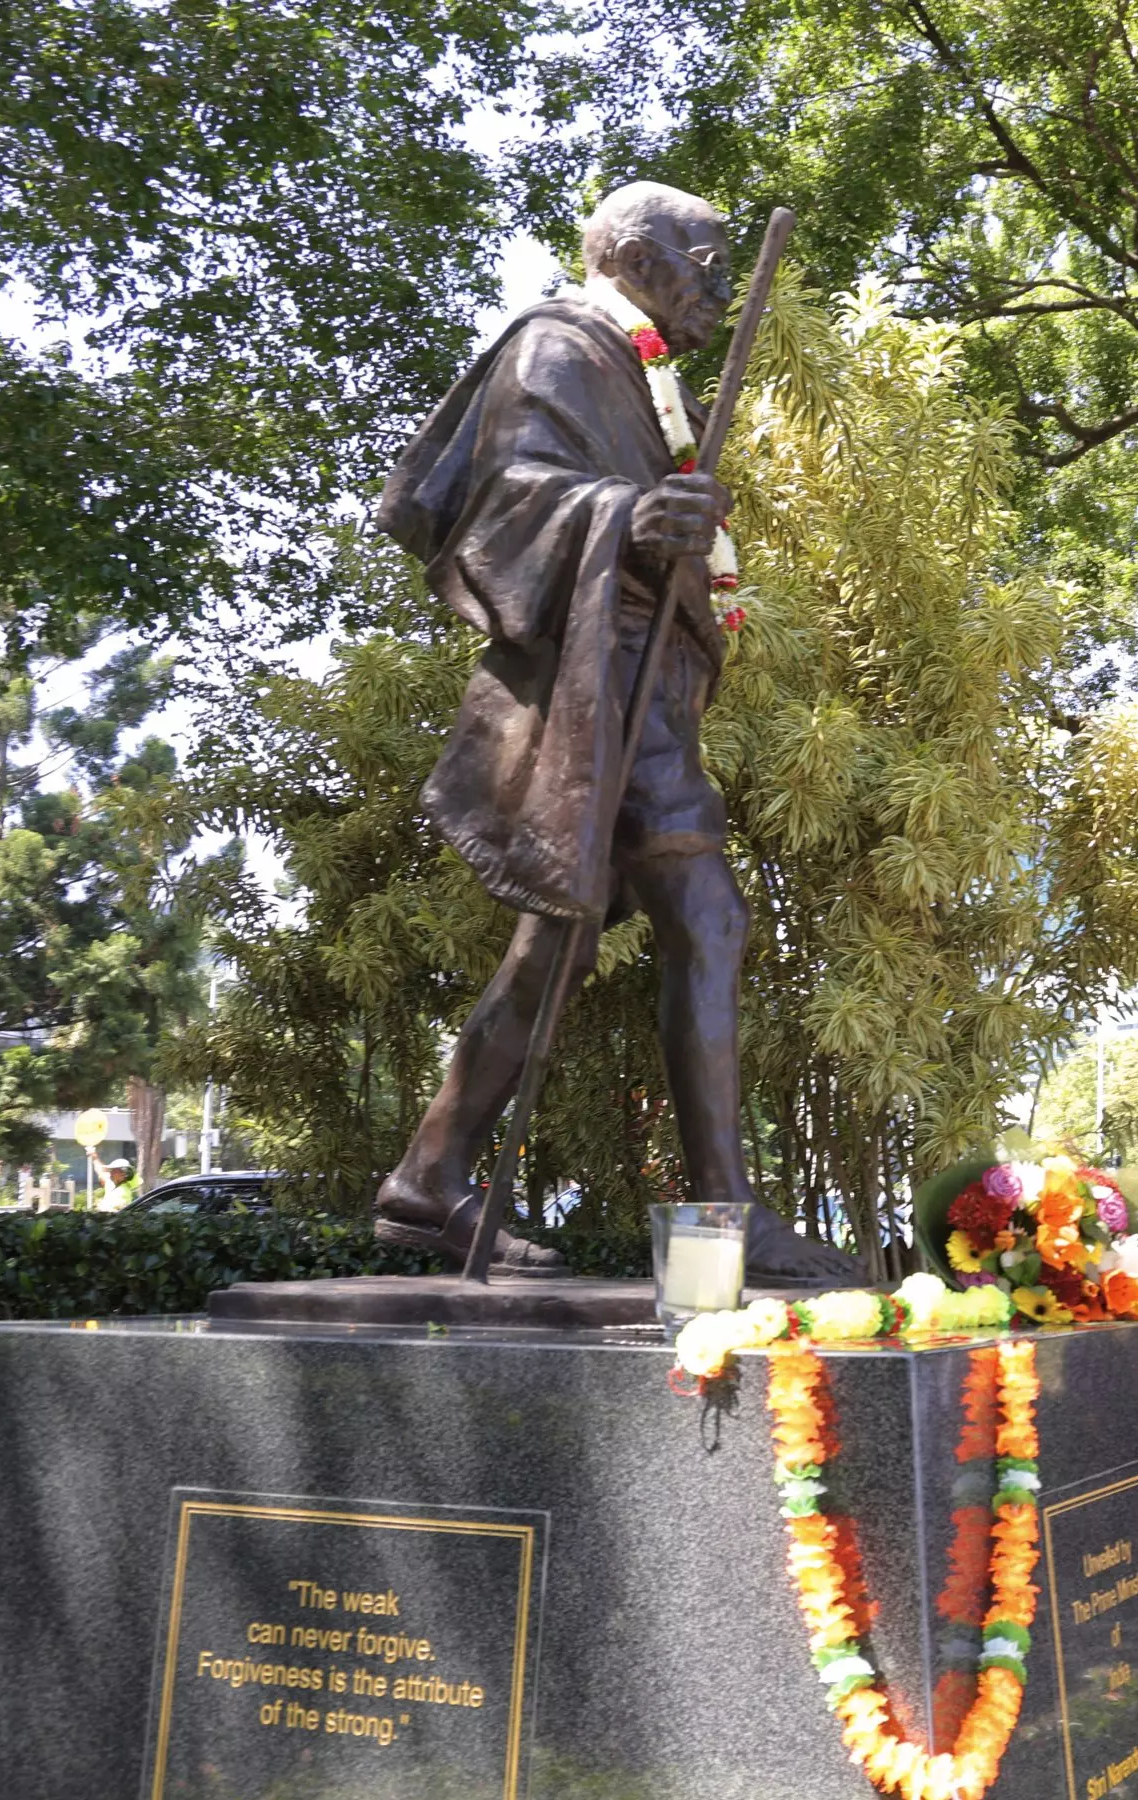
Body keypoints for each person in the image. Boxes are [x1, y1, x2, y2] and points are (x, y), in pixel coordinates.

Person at [369, 180, 858, 1288]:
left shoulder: (642, 374)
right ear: (637, 256)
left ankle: (427, 1179)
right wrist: (628, 515)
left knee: (560, 938)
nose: (720, 289)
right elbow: (503, 500)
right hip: (600, 671)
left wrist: (668, 520)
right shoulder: (560, 346)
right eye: (705, 261)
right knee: (706, 913)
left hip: (638, 675)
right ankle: (725, 1213)